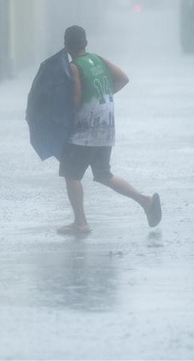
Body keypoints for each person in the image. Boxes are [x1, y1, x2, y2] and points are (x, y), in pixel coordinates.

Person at [57, 25, 162, 235]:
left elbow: (76, 100)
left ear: (66, 46)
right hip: (106, 128)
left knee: (71, 174)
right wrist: (104, 94)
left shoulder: (74, 67)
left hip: (85, 131)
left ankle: (81, 222)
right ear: (85, 43)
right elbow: (123, 78)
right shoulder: (97, 59)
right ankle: (146, 201)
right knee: (104, 175)